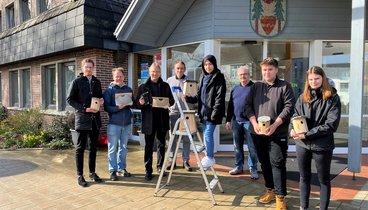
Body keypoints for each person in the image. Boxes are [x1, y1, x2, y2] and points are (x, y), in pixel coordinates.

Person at [245, 57, 295, 210]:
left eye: (270, 69)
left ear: (276, 70)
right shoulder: (256, 87)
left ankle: (281, 198)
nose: (267, 72)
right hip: (258, 133)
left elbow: (289, 108)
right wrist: (254, 123)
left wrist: (275, 125)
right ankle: (270, 191)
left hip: (277, 133)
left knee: (278, 164)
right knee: (264, 163)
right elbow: (247, 106)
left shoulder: (285, 86)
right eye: (264, 70)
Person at [290, 66, 341, 210]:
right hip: (302, 144)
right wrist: (292, 129)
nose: (314, 81)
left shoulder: (332, 97)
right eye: (311, 79)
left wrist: (307, 134)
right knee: (303, 177)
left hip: (322, 145)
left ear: (323, 78)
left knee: (323, 180)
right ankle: (303, 207)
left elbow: (331, 125)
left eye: (317, 78)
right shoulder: (302, 97)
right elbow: (294, 115)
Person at [67, 58, 104, 187]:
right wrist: (83, 108)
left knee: (93, 147)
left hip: (95, 119)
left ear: (93, 68)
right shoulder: (76, 82)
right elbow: (70, 100)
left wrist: (101, 101)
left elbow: (99, 96)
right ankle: (79, 175)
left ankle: (92, 173)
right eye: (86, 67)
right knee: (80, 148)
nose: (88, 69)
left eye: (90, 67)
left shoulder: (97, 82)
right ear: (82, 68)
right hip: (82, 119)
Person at [186, 55, 226, 169]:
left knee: (208, 135)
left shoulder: (219, 77)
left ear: (214, 64)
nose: (208, 66)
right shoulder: (203, 77)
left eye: (210, 64)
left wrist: (215, 112)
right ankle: (208, 158)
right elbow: (199, 95)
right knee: (205, 136)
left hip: (212, 113)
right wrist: (190, 98)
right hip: (203, 112)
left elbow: (220, 97)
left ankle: (210, 157)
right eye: (205, 64)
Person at [137, 62, 174, 181]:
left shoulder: (165, 86)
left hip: (162, 120)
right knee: (148, 147)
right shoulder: (143, 86)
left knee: (161, 145)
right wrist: (140, 103)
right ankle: (148, 170)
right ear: (149, 72)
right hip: (149, 121)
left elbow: (172, 101)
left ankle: (160, 167)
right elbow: (138, 103)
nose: (155, 73)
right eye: (153, 71)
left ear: (160, 73)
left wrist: (168, 103)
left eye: (157, 71)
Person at [225, 66, 258, 179]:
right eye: (241, 75)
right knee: (237, 146)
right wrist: (228, 119)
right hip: (237, 122)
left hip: (250, 122)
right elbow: (230, 106)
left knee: (252, 147)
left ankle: (253, 167)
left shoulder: (254, 88)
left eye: (245, 74)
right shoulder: (235, 89)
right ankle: (238, 166)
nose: (243, 76)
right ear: (238, 76)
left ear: (249, 75)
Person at [103, 67, 133, 181]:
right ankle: (112, 170)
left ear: (123, 76)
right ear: (113, 77)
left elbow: (132, 102)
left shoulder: (128, 89)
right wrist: (117, 108)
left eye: (120, 76)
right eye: (116, 76)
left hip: (126, 124)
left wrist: (131, 103)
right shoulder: (109, 91)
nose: (118, 78)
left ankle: (122, 168)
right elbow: (106, 107)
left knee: (123, 148)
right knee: (112, 149)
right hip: (114, 124)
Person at [166, 61, 192, 171]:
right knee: (173, 138)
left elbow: (195, 98)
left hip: (186, 113)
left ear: (185, 69)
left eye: (181, 68)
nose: (179, 70)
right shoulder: (169, 81)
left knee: (186, 138)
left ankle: (186, 161)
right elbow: (166, 96)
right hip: (173, 113)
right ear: (174, 69)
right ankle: (172, 160)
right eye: (177, 68)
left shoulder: (190, 81)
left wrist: (190, 97)